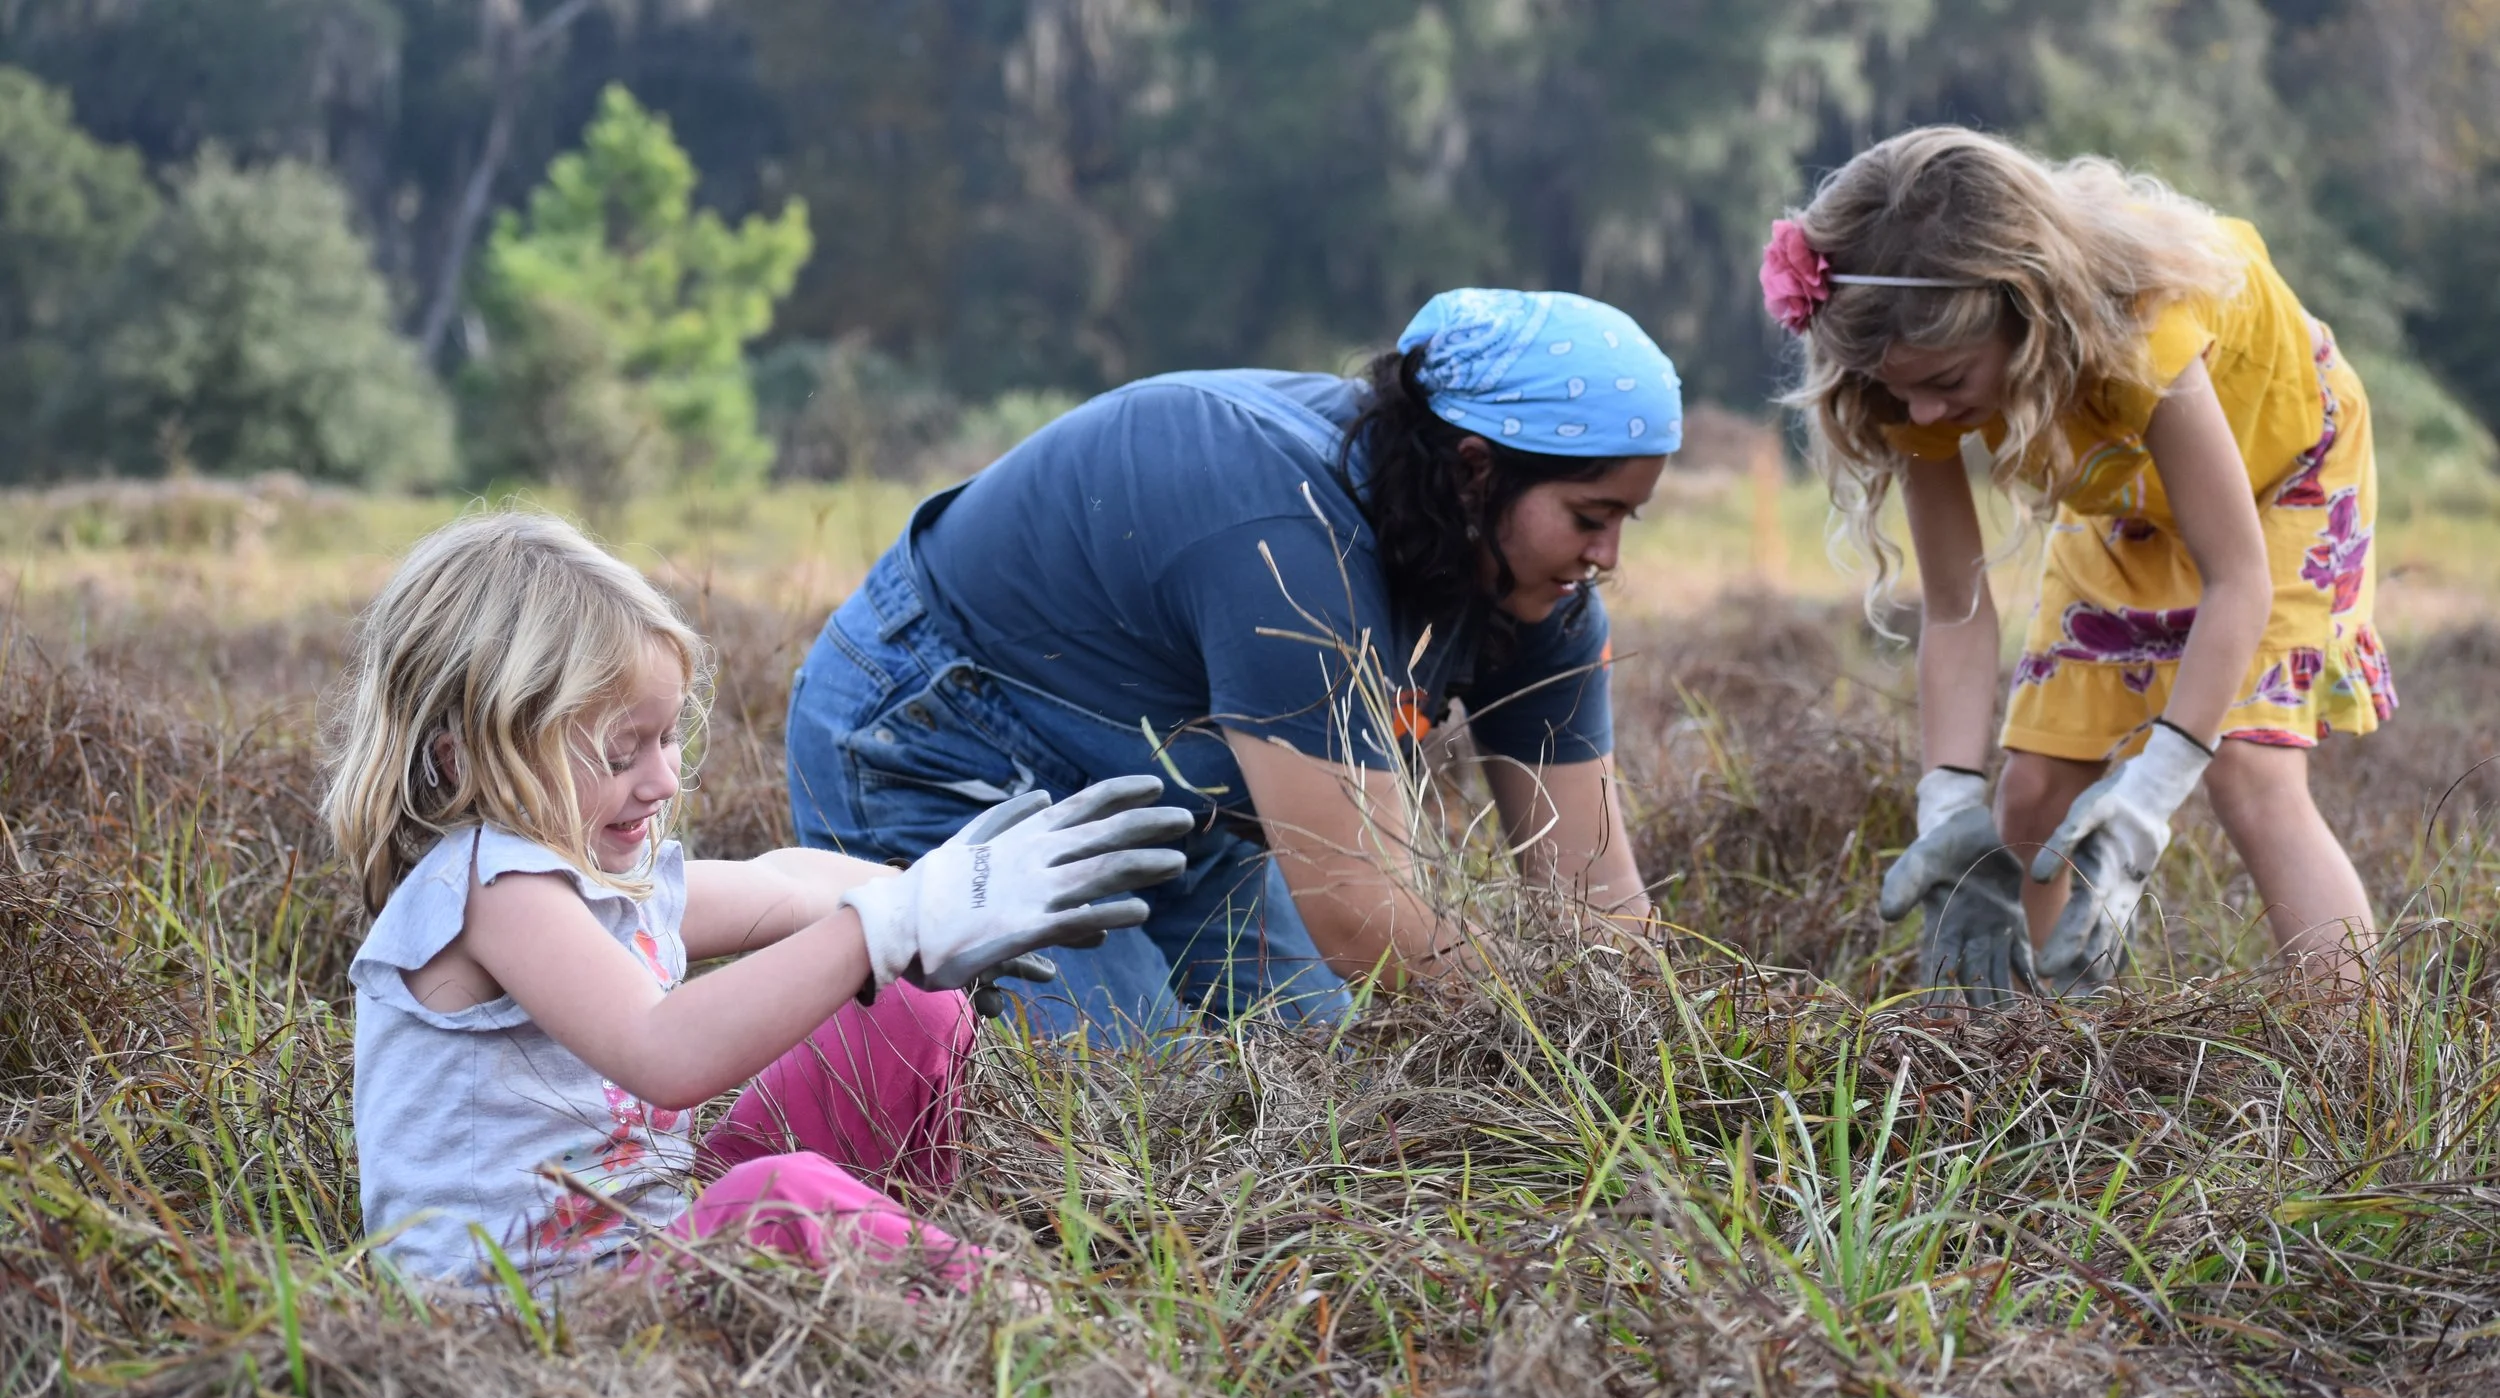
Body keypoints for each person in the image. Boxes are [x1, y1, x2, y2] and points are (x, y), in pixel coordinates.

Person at [324, 511, 1191, 1291]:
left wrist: (932, 894)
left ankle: (879, 1270)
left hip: (647, 1242)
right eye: (620, 752)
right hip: (531, 1313)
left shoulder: (600, 883)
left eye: (666, 737)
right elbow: (664, 1051)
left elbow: (782, 883)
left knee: (912, 1004)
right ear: (463, 758)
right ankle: (1011, 1324)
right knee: (777, 1199)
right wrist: (889, 926)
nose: (661, 778)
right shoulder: (488, 886)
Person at [786, 289, 1683, 1038]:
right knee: (1134, 1103)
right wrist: (1553, 1051)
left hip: (1162, 788)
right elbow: (1362, 912)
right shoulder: (1288, 545)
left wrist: (1655, 1049)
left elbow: (1597, 894)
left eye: (1625, 522)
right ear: (1477, 472)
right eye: (1589, 515)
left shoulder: (1544, 590)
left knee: (1323, 1054)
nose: (1606, 556)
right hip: (942, 745)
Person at [1763, 127, 2392, 997]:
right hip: (2128, 499)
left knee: (2251, 769)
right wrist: (1948, 806)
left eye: (1947, 380)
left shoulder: (2141, 330)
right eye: (1898, 385)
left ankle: (2358, 1061)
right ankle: (2054, 1047)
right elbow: (1953, 606)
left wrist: (2146, 804)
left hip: (2282, 483)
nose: (1923, 409)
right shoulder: (1905, 375)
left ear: (2031, 316)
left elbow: (2236, 577)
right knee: (2030, 795)